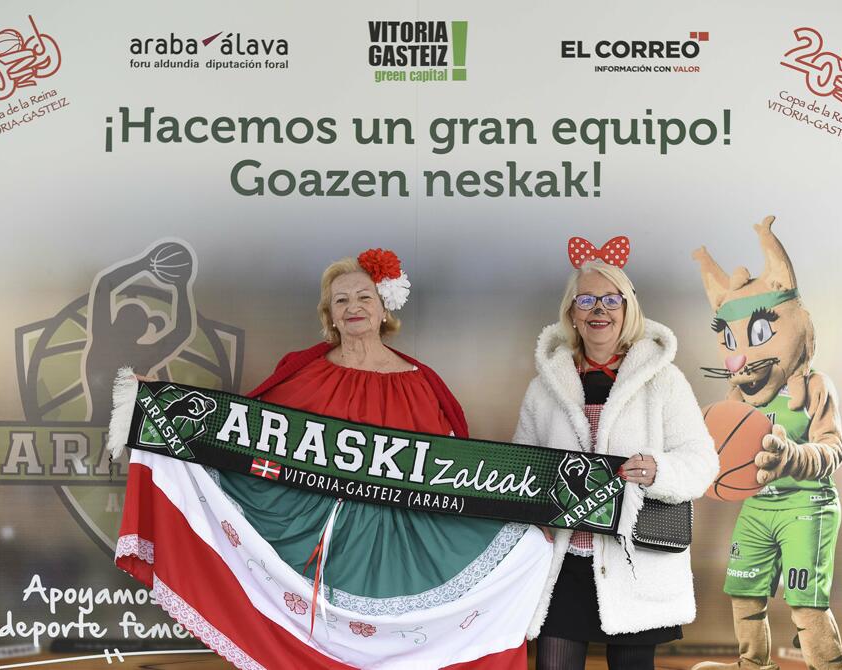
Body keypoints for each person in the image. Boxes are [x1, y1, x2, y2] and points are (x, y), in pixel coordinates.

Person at [114, 248, 551, 670]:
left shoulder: (421, 384)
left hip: (392, 547)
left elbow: (451, 478)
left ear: (385, 310)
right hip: (309, 538)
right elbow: (240, 439)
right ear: (330, 315)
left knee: (525, 549)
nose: (353, 307)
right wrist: (162, 404)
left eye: (364, 297)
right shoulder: (303, 371)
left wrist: (527, 521)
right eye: (341, 300)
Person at [514, 240, 719, 670]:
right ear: (572, 312)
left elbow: (701, 462)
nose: (598, 310)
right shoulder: (544, 388)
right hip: (564, 563)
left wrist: (657, 471)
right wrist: (533, 515)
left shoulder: (663, 381)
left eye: (611, 300)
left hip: (635, 561)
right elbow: (522, 470)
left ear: (628, 311)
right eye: (585, 300)